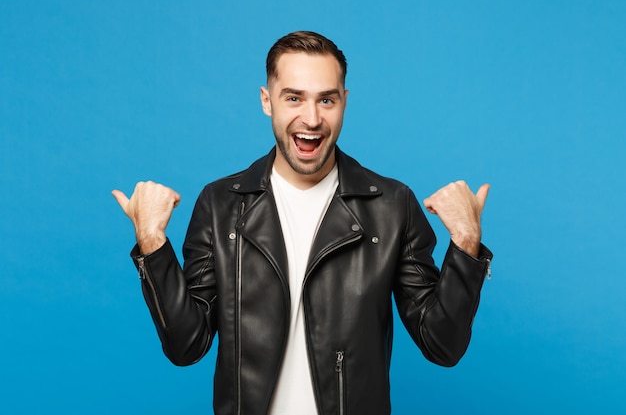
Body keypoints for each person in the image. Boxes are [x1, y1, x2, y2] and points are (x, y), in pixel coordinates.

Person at [113, 31, 493, 415]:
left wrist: (466, 243)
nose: (311, 119)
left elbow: (442, 345)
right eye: (293, 98)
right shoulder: (220, 205)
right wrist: (152, 243)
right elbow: (185, 346)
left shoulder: (393, 206)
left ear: (344, 102)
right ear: (267, 101)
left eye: (326, 99)